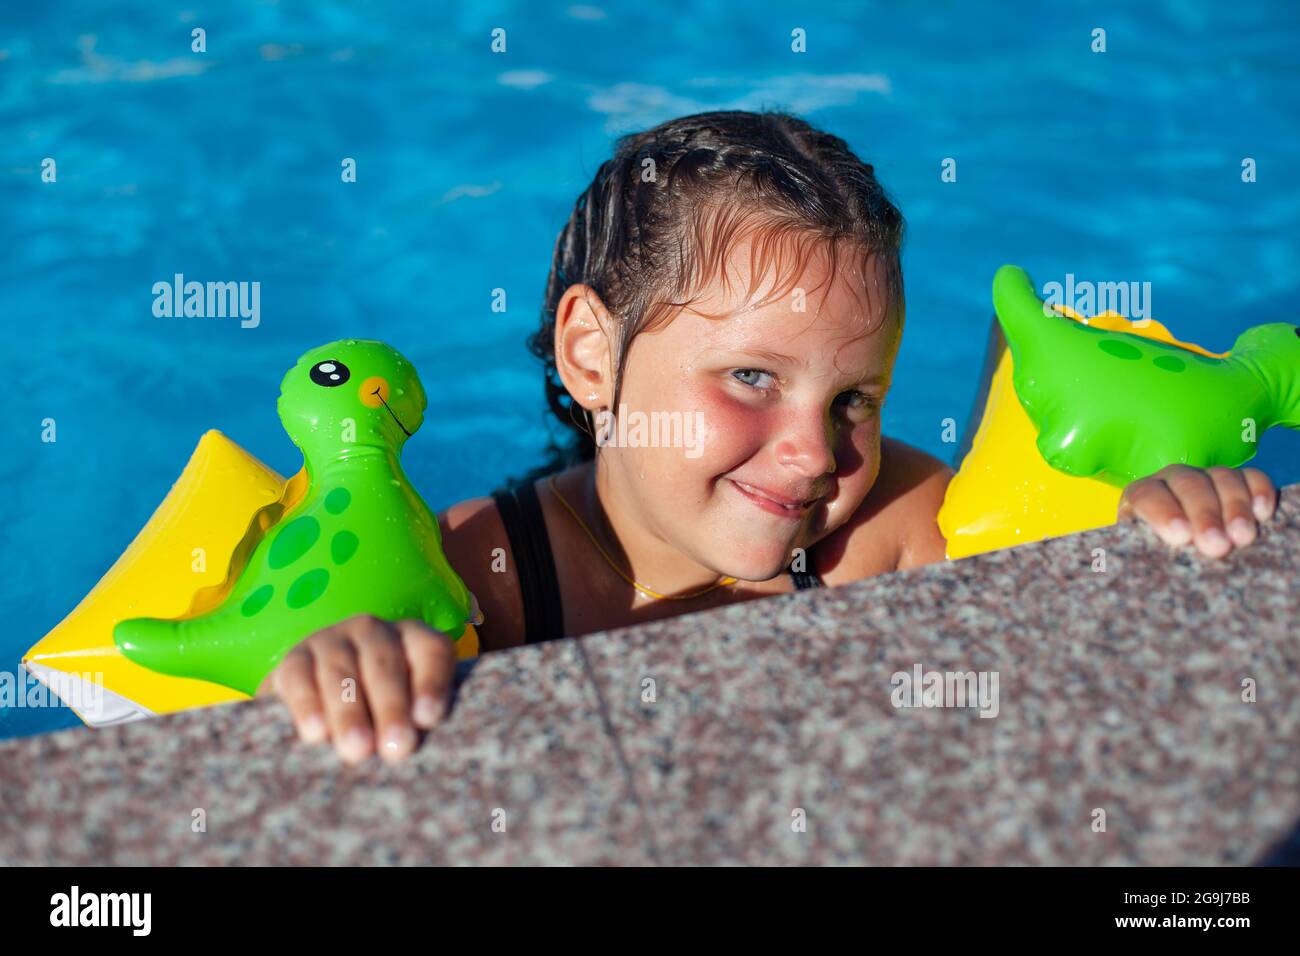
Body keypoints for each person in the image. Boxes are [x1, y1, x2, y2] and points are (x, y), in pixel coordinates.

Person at [262, 111, 1279, 764]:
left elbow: (1072, 620)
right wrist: (343, 664)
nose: (812, 452)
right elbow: (322, 705)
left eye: (853, 398)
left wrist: (1149, 530)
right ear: (590, 357)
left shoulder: (883, 531)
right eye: (752, 377)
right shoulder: (483, 572)